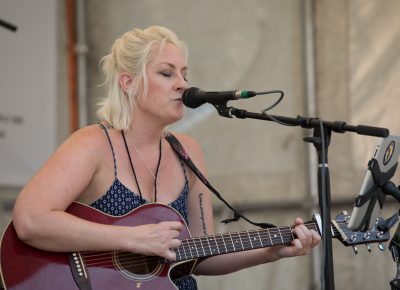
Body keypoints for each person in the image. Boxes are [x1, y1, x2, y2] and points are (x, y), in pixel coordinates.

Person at [12, 26, 321, 289]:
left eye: (184, 74)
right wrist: (131, 239)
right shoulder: (93, 144)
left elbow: (201, 255)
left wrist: (271, 251)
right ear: (128, 82)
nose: (183, 84)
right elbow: (30, 221)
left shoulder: (188, 152)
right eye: (166, 73)